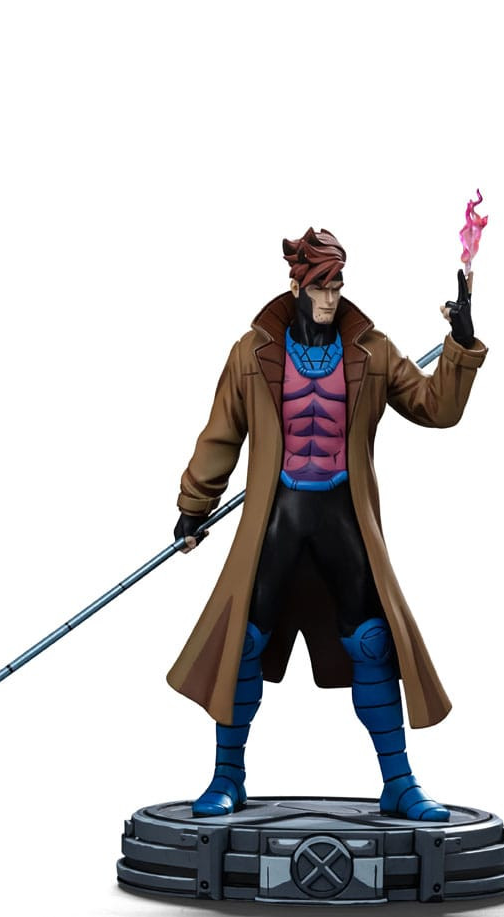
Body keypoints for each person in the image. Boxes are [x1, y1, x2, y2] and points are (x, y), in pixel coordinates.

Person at [167, 228, 487, 820]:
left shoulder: (372, 350)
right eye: (319, 286)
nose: (329, 298)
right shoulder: (253, 352)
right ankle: (228, 777)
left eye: (336, 286)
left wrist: (460, 344)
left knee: (372, 641)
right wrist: (194, 503)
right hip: (278, 517)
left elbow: (435, 407)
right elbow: (222, 433)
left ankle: (399, 783)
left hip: (343, 515)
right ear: (297, 285)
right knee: (244, 641)